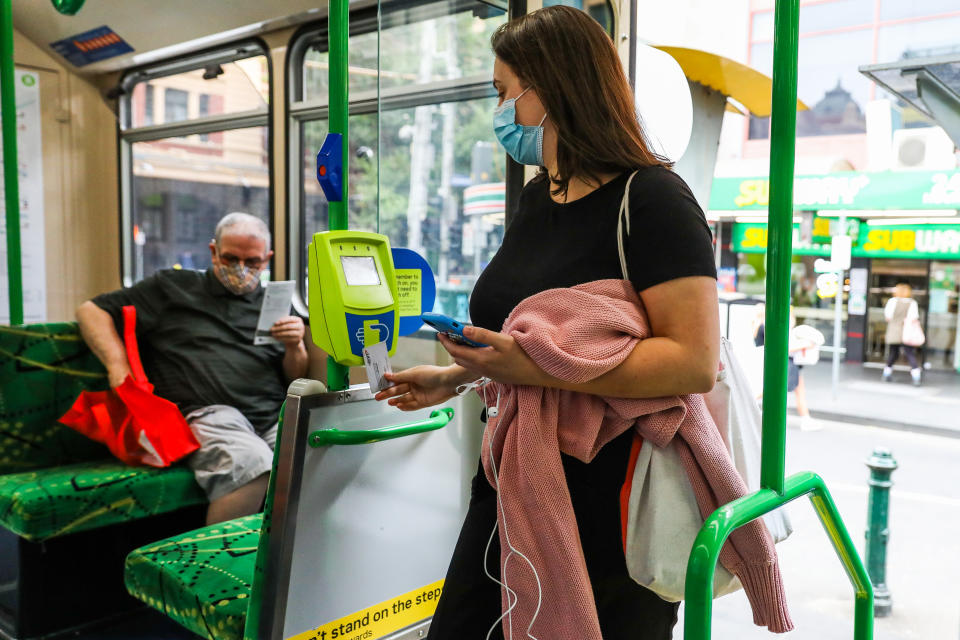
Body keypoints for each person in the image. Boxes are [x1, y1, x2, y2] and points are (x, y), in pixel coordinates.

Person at [376, 7, 720, 639]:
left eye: (505, 92)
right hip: (514, 475)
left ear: (552, 89)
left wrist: (526, 366)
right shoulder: (541, 196)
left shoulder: (653, 200)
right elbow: (530, 337)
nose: (500, 110)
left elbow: (694, 361)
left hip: (611, 493)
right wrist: (454, 376)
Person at [76, 212, 308, 525]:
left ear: (266, 260)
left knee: (313, 461)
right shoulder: (173, 287)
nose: (242, 269)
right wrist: (118, 366)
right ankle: (217, 565)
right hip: (208, 412)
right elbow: (91, 311)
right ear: (213, 252)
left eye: (252, 262)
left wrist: (296, 346)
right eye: (231, 258)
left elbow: (295, 377)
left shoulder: (275, 302)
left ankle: (289, 565)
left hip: (271, 414)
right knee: (252, 464)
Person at [752, 305, 821, 431]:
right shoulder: (765, 327)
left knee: (794, 391)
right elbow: (782, 348)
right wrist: (804, 344)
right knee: (772, 389)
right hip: (784, 365)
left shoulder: (760, 327)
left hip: (787, 364)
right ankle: (751, 402)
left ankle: (806, 419)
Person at [882, 283, 922, 386]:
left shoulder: (892, 301)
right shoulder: (912, 303)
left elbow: (888, 317)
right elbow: (914, 318)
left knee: (893, 353)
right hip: (907, 331)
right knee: (910, 353)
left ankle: (886, 373)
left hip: (894, 330)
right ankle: (916, 376)